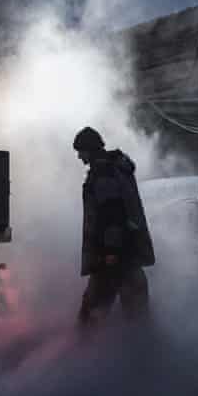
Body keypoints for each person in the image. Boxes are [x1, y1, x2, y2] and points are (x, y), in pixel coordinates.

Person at [73, 127, 155, 327]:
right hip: (128, 252)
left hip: (113, 258)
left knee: (91, 318)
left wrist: (110, 251)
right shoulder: (116, 167)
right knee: (137, 316)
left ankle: (81, 355)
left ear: (89, 149)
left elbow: (111, 213)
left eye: (80, 151)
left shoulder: (103, 172)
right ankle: (143, 354)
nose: (79, 157)